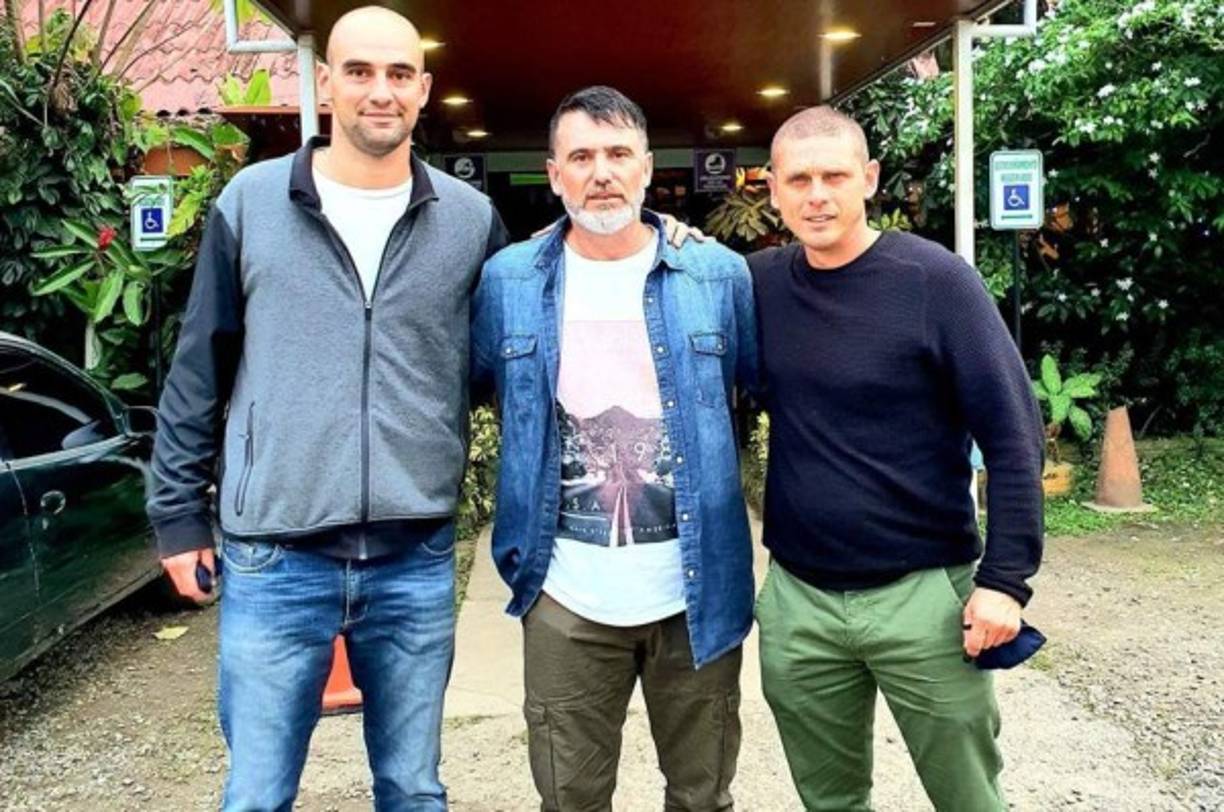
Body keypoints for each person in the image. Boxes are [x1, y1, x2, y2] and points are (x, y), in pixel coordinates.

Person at [147, 7, 508, 809]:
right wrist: (177, 516)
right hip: (276, 557)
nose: (380, 91)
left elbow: (504, 364)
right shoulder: (251, 203)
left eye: (398, 74)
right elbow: (199, 369)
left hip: (414, 555)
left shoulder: (469, 221)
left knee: (413, 789)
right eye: (360, 72)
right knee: (257, 794)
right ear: (326, 81)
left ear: (423, 89)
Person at [471, 86, 758, 811]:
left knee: (702, 797)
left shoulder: (716, 275)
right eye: (581, 157)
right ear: (554, 173)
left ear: (647, 167)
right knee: (571, 799)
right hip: (564, 596)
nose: (601, 172)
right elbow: (474, 389)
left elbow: (757, 393)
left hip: (695, 597)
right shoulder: (508, 281)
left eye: (618, 154)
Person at [750, 106, 1044, 811]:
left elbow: (1013, 435)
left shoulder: (934, 281)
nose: (817, 195)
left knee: (969, 798)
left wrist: (1005, 581)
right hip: (800, 599)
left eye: (834, 176)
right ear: (774, 189)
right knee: (830, 801)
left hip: (924, 598)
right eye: (799, 180)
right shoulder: (756, 284)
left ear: (869, 178)